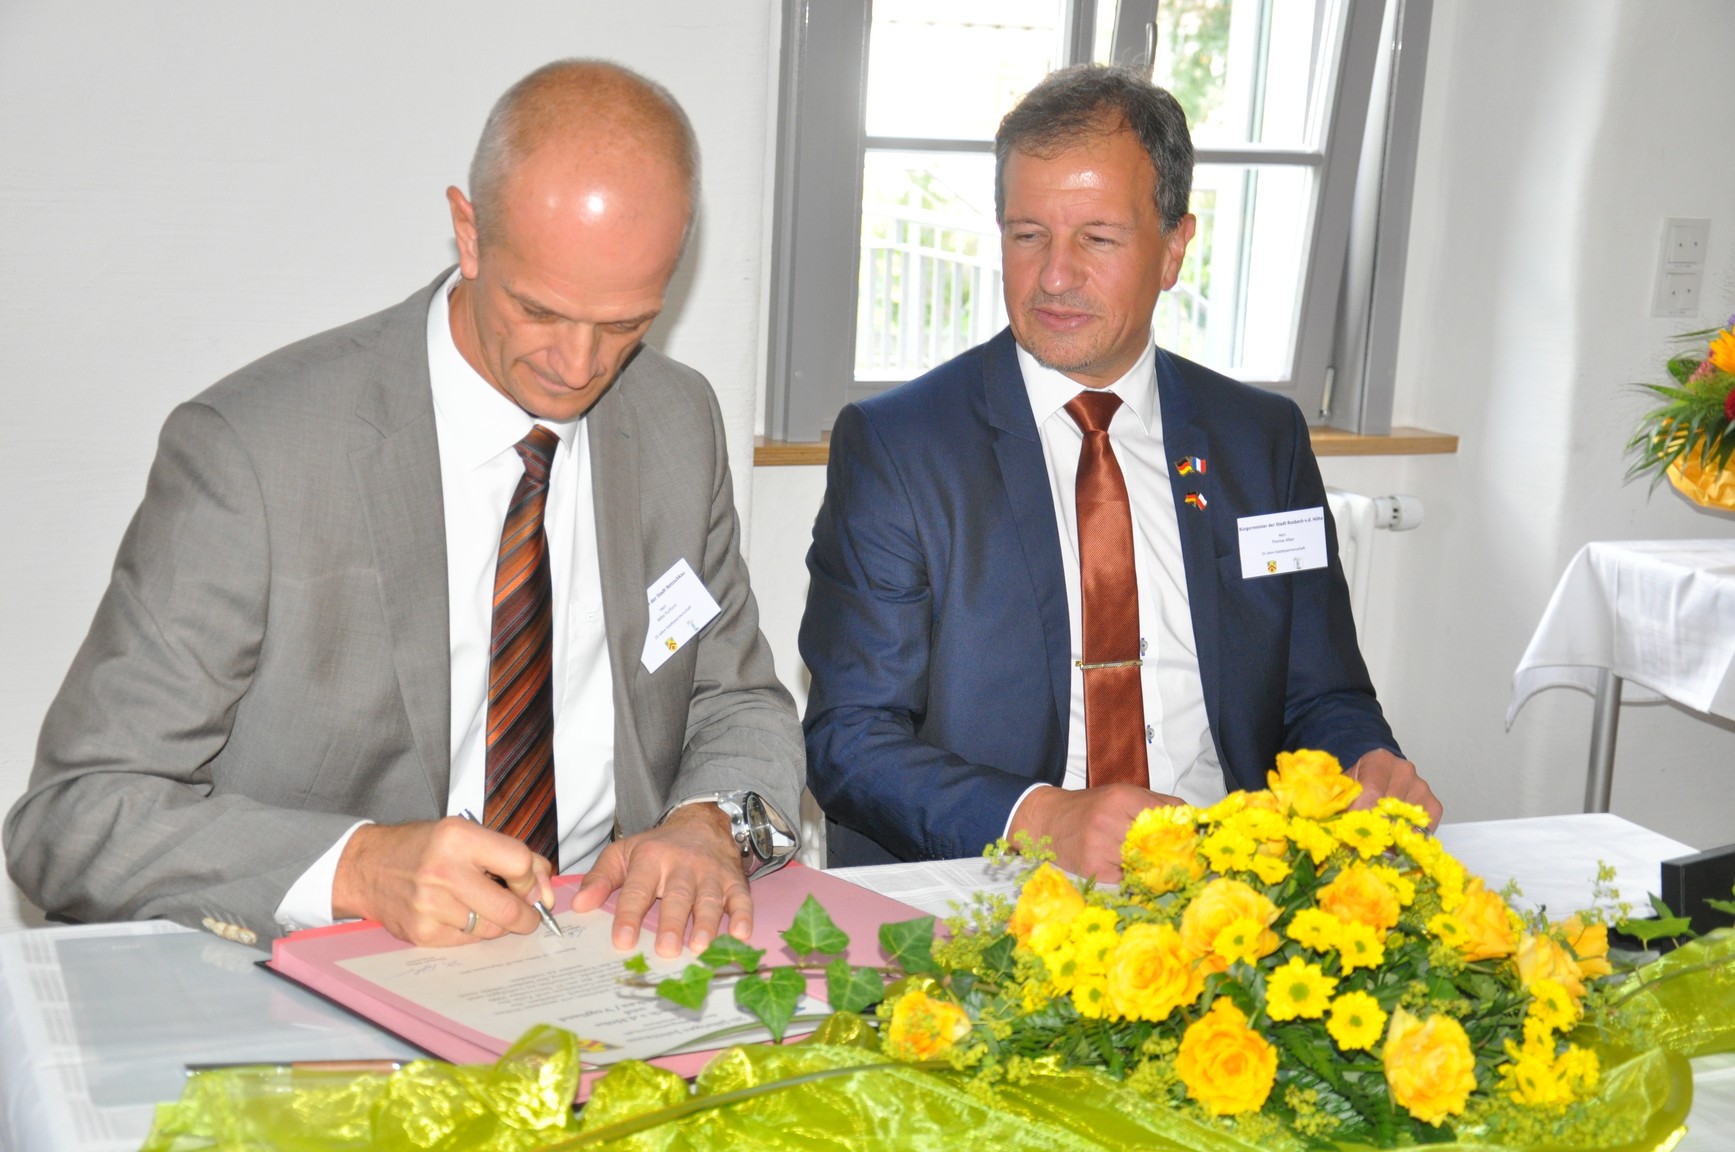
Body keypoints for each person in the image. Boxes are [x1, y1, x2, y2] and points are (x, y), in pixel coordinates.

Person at [4, 60, 803, 959]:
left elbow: (738, 703)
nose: (577, 366)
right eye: (538, 309)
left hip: (594, 962)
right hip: (315, 985)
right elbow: (71, 818)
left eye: (624, 323)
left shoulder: (674, 421)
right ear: (469, 233)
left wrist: (711, 824)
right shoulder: (257, 453)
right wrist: (355, 869)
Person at [800, 64, 1438, 879]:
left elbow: (1321, 694)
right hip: (997, 878)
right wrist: (1040, 819)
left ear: (1174, 249)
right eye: (1026, 235)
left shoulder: (1260, 440)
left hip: (1227, 889)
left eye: (1096, 238)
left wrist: (1362, 765)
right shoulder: (899, 448)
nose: (1054, 276)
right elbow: (850, 741)